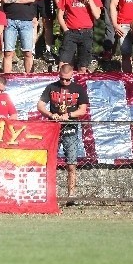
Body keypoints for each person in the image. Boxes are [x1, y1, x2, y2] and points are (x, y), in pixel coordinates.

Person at [37, 64, 89, 199]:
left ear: (72, 76)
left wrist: (69, 115)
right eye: (62, 79)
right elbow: (40, 105)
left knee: (71, 164)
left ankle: (71, 194)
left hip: (70, 128)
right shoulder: (51, 87)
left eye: (67, 79)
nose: (64, 82)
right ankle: (47, 193)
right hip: (53, 128)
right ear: (58, 75)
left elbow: (83, 110)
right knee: (49, 161)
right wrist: (50, 114)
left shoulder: (78, 89)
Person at [57, 0, 102, 73]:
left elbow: (97, 15)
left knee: (83, 66)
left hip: (86, 33)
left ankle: (81, 86)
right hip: (71, 32)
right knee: (64, 64)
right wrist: (66, 30)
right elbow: (60, 15)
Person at [0, 0, 36, 73]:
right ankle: (6, 78)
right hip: (10, 20)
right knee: (8, 52)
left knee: (28, 52)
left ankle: (30, 78)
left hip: (26, 20)